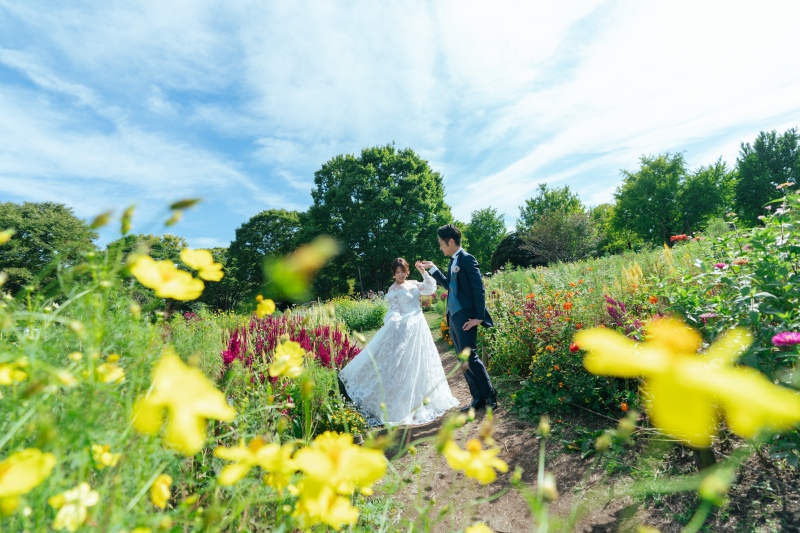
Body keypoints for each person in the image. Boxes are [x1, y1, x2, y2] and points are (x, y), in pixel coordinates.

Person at [339, 258, 459, 426]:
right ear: (393, 274)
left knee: (423, 362)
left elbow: (431, 287)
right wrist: (395, 321)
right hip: (405, 328)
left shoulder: (413, 283)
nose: (401, 275)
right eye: (397, 272)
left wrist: (423, 271)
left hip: (420, 327)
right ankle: (403, 406)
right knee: (404, 365)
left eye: (403, 271)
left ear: (407, 271)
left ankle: (424, 399)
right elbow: (394, 310)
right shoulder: (393, 289)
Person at [420, 224, 497, 412]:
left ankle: (490, 395)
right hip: (453, 316)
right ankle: (477, 398)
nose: (440, 247)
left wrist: (478, 317)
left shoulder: (467, 260)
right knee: (462, 358)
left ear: (451, 241)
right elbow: (449, 285)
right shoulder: (453, 261)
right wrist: (433, 269)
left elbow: (479, 289)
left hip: (467, 316)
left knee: (471, 356)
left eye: (441, 244)